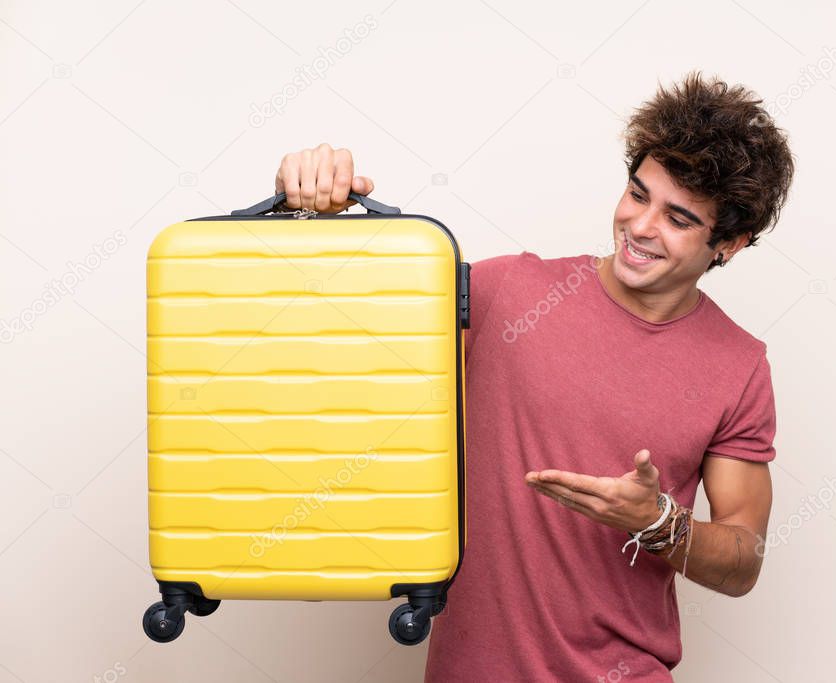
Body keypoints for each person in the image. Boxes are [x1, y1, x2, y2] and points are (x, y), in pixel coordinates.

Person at [274, 70, 795, 681]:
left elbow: (742, 561)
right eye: (637, 194)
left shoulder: (738, 366)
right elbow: (327, 332)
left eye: (679, 219)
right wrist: (304, 211)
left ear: (729, 243)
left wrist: (657, 523)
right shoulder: (508, 292)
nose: (641, 227)